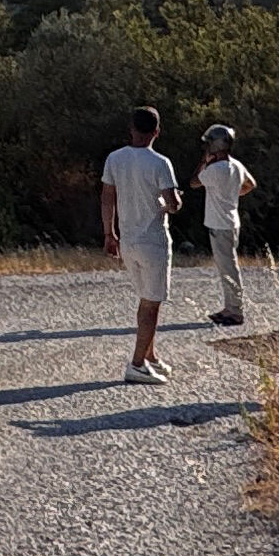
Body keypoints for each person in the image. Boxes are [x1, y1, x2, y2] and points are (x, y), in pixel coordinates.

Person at [100, 104, 185, 382]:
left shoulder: (114, 158)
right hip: (153, 241)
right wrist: (175, 202)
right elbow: (172, 204)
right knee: (152, 302)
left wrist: (109, 233)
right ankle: (136, 363)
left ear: (132, 129)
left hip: (128, 239)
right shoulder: (160, 163)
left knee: (146, 300)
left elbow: (107, 197)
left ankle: (149, 355)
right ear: (156, 132)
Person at [192, 122, 258, 327]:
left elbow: (194, 182)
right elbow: (251, 184)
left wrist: (204, 161)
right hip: (231, 221)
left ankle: (236, 311)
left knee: (228, 267)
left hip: (219, 224)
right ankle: (230, 307)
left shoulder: (215, 169)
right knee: (227, 266)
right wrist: (232, 195)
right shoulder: (236, 166)